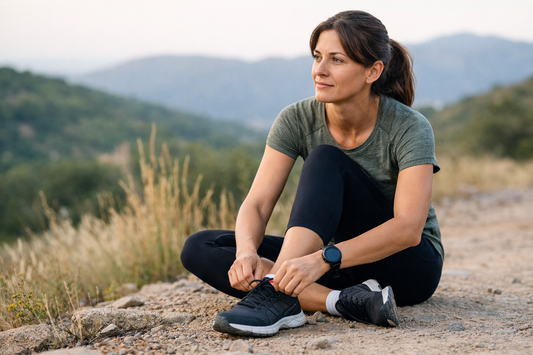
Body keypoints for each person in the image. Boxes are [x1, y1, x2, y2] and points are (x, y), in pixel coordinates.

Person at [181, 10, 443, 337]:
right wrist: (247, 250)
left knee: (324, 159)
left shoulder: (408, 126)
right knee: (202, 246)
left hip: (407, 267)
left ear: (373, 71)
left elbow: (408, 229)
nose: (319, 70)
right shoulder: (297, 118)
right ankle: (344, 302)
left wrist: (322, 259)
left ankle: (276, 297)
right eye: (317, 57)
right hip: (336, 265)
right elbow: (258, 204)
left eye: (337, 60)